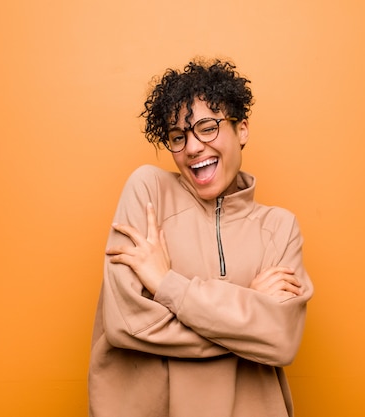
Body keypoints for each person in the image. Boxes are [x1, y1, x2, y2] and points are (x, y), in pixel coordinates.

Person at [88, 58, 314, 417]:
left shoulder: (279, 227)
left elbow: (281, 341)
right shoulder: (148, 192)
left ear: (241, 130)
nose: (192, 147)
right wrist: (249, 310)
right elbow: (126, 325)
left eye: (207, 128)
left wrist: (165, 284)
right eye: (178, 137)